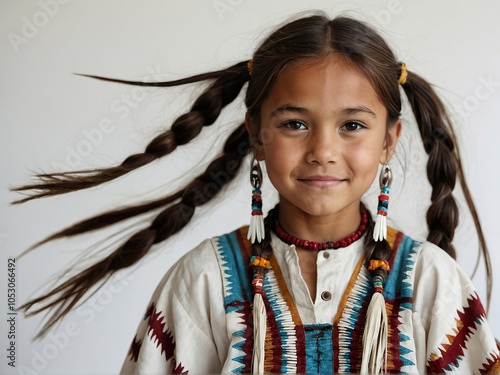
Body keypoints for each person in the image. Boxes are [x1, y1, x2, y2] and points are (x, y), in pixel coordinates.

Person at [13, 12, 500, 374]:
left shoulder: (433, 282)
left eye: (352, 125)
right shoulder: (205, 281)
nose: (323, 150)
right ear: (256, 134)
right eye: (294, 124)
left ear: (389, 141)